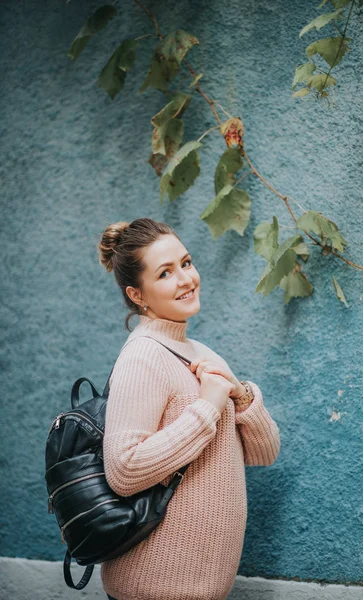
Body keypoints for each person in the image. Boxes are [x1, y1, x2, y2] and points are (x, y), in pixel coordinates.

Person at [97, 217, 281, 600]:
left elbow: (264, 453)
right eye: (165, 273)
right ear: (138, 294)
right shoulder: (143, 356)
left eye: (186, 262)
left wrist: (240, 394)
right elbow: (124, 469)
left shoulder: (201, 353)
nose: (186, 279)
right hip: (154, 585)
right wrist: (208, 408)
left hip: (205, 584)